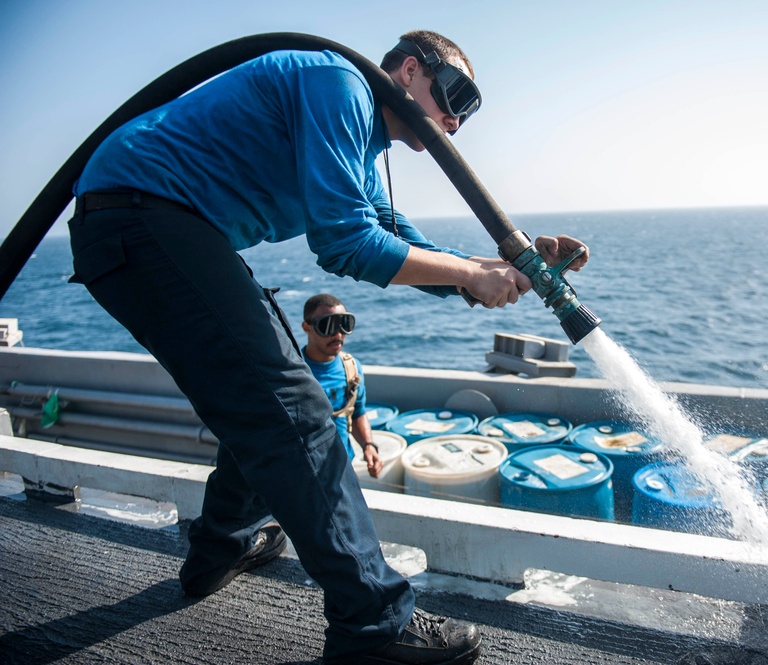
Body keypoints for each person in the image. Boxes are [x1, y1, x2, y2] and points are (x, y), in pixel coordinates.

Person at [66, 29, 588, 664]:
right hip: (142, 216)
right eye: (454, 95)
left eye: (467, 113)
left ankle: (224, 545)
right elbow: (347, 244)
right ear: (408, 70)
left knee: (268, 401)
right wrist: (473, 275)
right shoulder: (338, 82)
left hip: (154, 223)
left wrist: (505, 269)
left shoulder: (361, 143)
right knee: (294, 411)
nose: (455, 120)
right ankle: (373, 624)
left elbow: (391, 233)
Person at [302, 293, 383, 479]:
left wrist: (368, 445)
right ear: (307, 327)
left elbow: (357, 412)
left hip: (344, 469)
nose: (338, 334)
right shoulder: (294, 373)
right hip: (307, 475)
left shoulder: (351, 369)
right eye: (327, 325)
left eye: (344, 324)